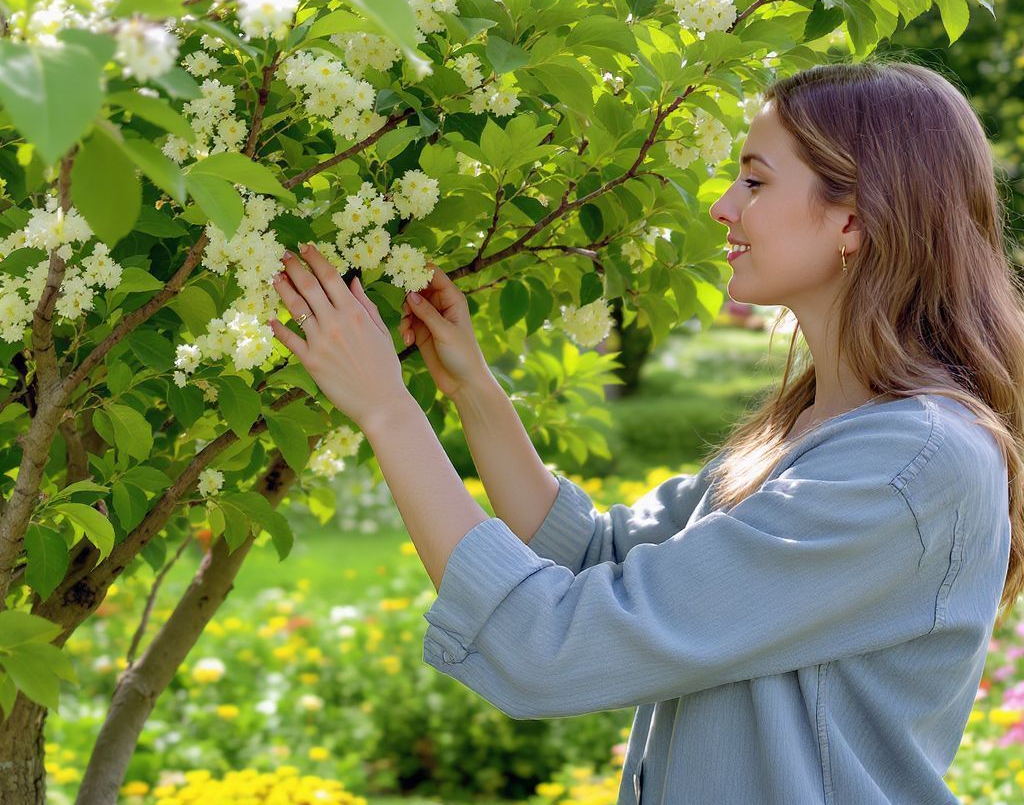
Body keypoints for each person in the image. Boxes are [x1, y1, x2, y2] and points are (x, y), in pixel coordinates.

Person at [285, 60, 1022, 804]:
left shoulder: (909, 467)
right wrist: (472, 387)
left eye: (756, 182)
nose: (723, 208)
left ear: (854, 219)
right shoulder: (817, 427)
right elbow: (596, 555)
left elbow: (550, 646)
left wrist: (387, 409)